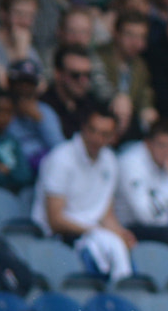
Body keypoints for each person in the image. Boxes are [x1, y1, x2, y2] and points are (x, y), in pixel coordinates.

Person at [33, 102, 133, 281]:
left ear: (113, 137)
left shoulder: (110, 160)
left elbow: (105, 212)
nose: (96, 138)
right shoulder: (61, 158)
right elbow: (55, 220)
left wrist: (120, 233)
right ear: (83, 128)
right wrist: (96, 230)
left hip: (93, 234)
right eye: (92, 130)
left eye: (104, 134)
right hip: (59, 237)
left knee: (124, 251)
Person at [116, 117, 168, 250]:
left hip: (165, 228)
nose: (167, 151)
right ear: (148, 144)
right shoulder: (131, 163)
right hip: (131, 228)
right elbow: (146, 216)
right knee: (167, 235)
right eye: (162, 145)